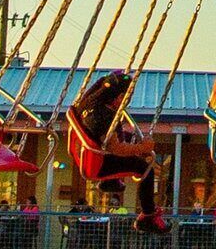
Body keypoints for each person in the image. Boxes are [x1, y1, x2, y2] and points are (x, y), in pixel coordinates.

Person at [69, 69, 165, 226]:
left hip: (89, 151)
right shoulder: (105, 117)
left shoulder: (89, 101)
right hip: (99, 163)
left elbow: (100, 83)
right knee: (145, 168)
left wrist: (117, 76)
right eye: (126, 98)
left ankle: (111, 182)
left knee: (128, 137)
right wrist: (142, 148)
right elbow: (117, 149)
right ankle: (147, 215)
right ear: (119, 97)